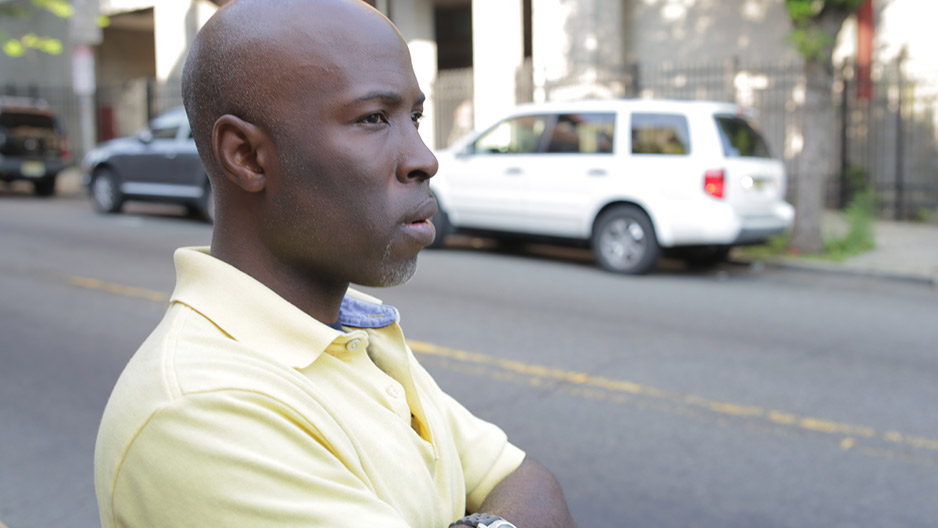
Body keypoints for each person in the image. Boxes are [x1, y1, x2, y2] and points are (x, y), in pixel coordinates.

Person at [92, 1, 578, 527]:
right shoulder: (198, 409)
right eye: (373, 119)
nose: (425, 158)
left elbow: (526, 480)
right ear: (246, 155)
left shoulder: (350, 327)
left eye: (414, 117)